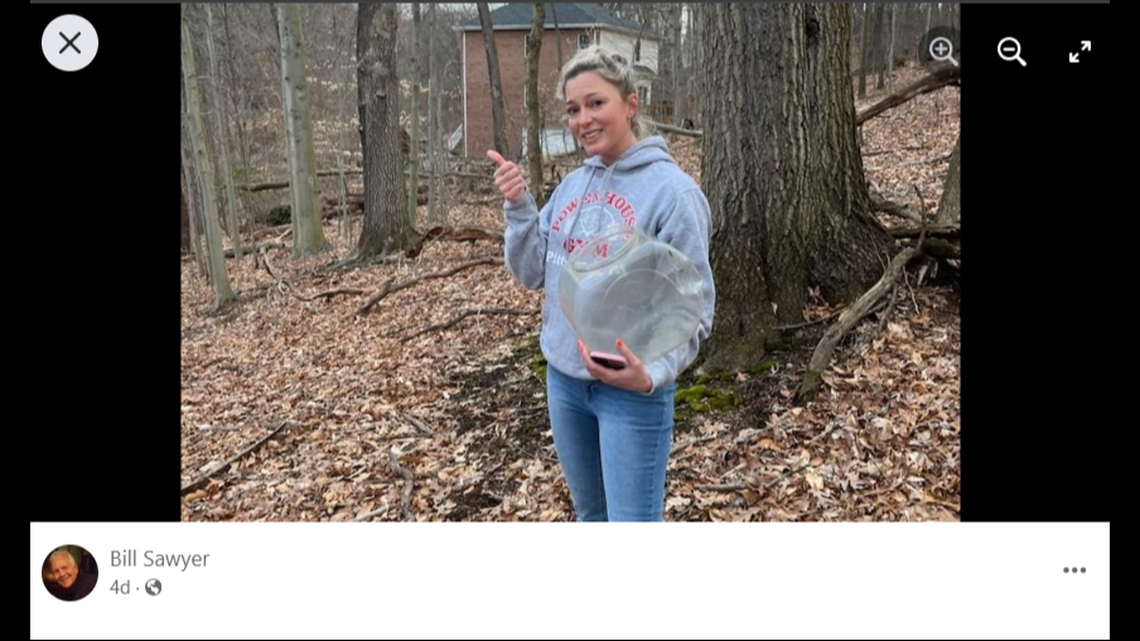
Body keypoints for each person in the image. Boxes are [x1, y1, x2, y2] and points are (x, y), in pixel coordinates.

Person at [488, 45, 715, 521]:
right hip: (564, 384)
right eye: (573, 109)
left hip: (630, 393)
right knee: (592, 518)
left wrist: (651, 374)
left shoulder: (673, 194)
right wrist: (520, 207)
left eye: (596, 103)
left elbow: (695, 307)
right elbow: (533, 273)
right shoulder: (572, 187)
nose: (583, 119)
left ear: (630, 104)